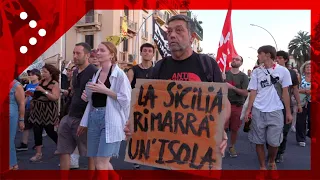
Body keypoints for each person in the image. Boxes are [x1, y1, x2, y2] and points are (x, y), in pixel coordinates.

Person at [124, 14, 230, 168]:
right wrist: (134, 125)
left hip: (199, 152)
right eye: (169, 32)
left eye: (179, 30)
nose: (172, 35)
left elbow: (223, 102)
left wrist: (220, 128)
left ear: (192, 37)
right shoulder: (159, 67)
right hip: (164, 153)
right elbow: (146, 106)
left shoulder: (207, 64)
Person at [78, 42, 131, 171]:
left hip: (110, 119)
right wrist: (87, 95)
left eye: (102, 50)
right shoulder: (97, 74)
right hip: (94, 118)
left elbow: (126, 99)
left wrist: (105, 90)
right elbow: (94, 100)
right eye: (97, 50)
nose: (98, 53)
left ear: (111, 55)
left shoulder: (119, 75)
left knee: (101, 163)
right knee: (98, 161)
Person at [244, 45, 293, 170]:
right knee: (258, 140)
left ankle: (271, 161)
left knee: (274, 141)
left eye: (259, 54)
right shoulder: (256, 71)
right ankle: (262, 167)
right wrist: (248, 110)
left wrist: (288, 112)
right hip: (258, 109)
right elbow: (253, 92)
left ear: (268, 55)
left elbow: (285, 92)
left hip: (276, 110)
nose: (257, 56)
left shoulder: (283, 71)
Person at [57, 42, 97, 170]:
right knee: (63, 151)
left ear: (87, 55)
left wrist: (86, 121)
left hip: (84, 119)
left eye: (78, 53)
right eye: (74, 53)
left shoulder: (94, 72)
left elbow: (95, 99)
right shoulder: (75, 72)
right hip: (69, 116)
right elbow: (74, 91)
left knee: (90, 153)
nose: (74, 56)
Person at [28, 64, 60, 162]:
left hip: (48, 111)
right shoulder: (41, 81)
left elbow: (55, 97)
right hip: (37, 110)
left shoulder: (54, 83)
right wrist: (31, 94)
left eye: (45, 72)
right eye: (43, 72)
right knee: (37, 131)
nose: (43, 74)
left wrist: (44, 91)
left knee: (50, 131)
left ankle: (61, 147)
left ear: (51, 73)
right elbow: (37, 94)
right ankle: (38, 153)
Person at [274, 50, 302, 163]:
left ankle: (280, 152)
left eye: (280, 58)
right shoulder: (270, 71)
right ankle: (272, 152)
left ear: (285, 60)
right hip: (272, 106)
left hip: (286, 105)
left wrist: (299, 104)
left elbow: (295, 89)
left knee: (284, 131)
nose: (277, 60)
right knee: (272, 130)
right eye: (276, 58)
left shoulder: (291, 73)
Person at [223, 55, 249, 157]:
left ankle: (232, 146)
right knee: (222, 128)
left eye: (237, 59)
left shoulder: (244, 77)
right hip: (224, 104)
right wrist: (221, 80)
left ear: (241, 63)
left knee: (234, 129)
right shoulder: (224, 73)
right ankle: (222, 147)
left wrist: (232, 87)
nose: (234, 60)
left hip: (237, 105)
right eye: (233, 59)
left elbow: (245, 93)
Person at [16, 69, 41, 151]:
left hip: (37, 108)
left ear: (37, 75)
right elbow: (25, 97)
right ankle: (24, 143)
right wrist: (22, 105)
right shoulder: (28, 85)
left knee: (37, 127)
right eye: (30, 74)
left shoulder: (40, 85)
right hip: (27, 107)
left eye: (33, 74)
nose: (31, 76)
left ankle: (38, 144)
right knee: (26, 126)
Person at [9, 79, 25, 170]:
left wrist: (21, 120)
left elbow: (22, 103)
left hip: (10, 116)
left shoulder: (16, 85)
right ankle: (13, 164)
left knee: (8, 141)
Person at [296, 60, 312, 147]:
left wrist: (311, 91)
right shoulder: (300, 77)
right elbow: (295, 89)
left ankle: (310, 133)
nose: (309, 68)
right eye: (307, 67)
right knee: (300, 121)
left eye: (311, 67)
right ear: (304, 68)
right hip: (301, 101)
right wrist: (306, 91)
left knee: (312, 120)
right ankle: (301, 139)